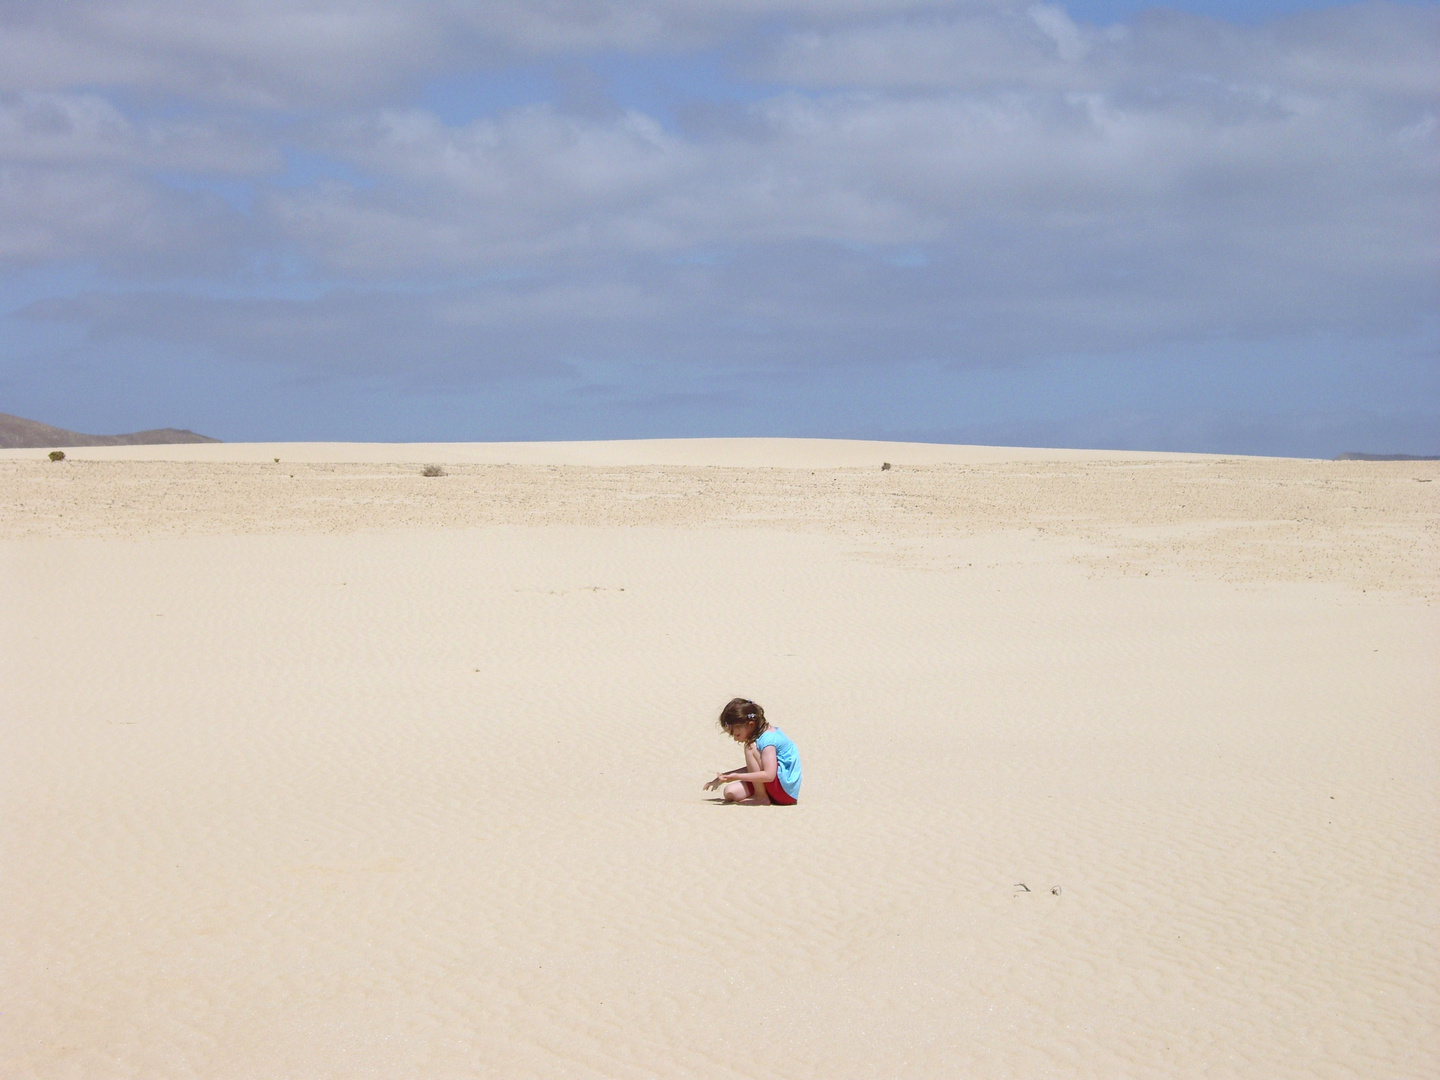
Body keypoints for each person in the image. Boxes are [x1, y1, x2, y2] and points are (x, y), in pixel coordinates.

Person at [703, 698, 802, 804]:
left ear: (751, 725)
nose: (736, 739)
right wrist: (725, 776)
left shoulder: (768, 740)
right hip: (775, 785)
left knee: (749, 747)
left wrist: (736, 777)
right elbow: (760, 767)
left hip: (784, 791)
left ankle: (761, 797)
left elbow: (769, 775)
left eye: (737, 734)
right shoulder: (762, 736)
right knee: (730, 793)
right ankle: (762, 794)